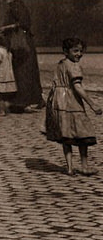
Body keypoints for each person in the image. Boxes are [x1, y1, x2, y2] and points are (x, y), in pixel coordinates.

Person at [44, 37, 103, 176]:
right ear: (66, 51)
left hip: (59, 102)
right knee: (83, 134)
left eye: (81, 51)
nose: (79, 54)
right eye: (75, 51)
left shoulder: (61, 64)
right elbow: (77, 87)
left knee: (66, 135)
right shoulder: (74, 66)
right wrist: (92, 103)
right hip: (72, 103)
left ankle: (69, 167)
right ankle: (84, 166)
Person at [1, 0, 44, 112]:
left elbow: (24, 23)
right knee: (27, 71)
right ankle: (36, 99)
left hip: (21, 44)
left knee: (22, 72)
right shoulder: (15, 5)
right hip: (21, 43)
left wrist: (6, 28)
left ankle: (23, 101)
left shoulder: (17, 5)